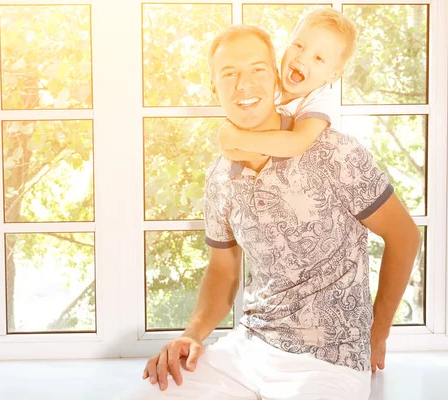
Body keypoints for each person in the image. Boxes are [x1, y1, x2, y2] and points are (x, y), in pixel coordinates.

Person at [135, 24, 420, 400]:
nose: (244, 85)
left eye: (257, 70)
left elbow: (405, 236)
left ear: (275, 79)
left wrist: (378, 333)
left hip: (331, 359)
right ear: (213, 87)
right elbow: (223, 271)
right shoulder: (220, 176)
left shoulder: (334, 151)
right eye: (229, 74)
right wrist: (192, 334)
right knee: (149, 395)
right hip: (248, 349)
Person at [218, 8, 357, 160]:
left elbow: (295, 144)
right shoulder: (270, 84)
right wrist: (229, 140)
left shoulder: (320, 101)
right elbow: (236, 144)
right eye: (299, 46)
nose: (302, 58)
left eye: (318, 58)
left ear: (332, 75)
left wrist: (237, 138)